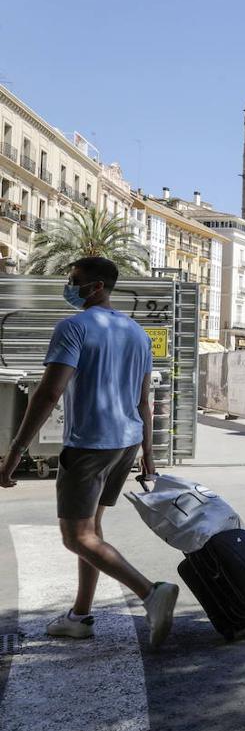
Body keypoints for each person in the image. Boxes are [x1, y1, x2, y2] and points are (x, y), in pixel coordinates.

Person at [0, 257, 179, 648]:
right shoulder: (137, 333)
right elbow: (144, 401)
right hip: (126, 442)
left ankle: (151, 593)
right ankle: (80, 616)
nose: (70, 286)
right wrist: (148, 454)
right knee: (92, 531)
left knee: (76, 536)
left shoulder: (73, 327)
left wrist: (13, 454)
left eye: (75, 280)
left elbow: (49, 392)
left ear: (96, 286)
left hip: (90, 444)